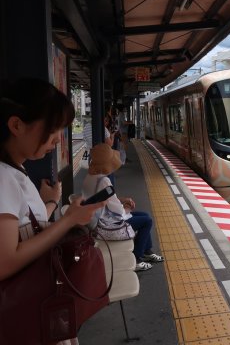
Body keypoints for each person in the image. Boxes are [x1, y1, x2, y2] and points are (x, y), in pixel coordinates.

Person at [0, 78, 107, 344]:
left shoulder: (13, 171)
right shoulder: (2, 177)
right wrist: (68, 219)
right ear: (16, 125)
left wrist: (49, 205)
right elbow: (5, 262)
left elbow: (22, 232)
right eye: (52, 129)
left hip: (33, 308)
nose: (57, 139)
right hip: (25, 314)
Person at [83, 143, 163, 271]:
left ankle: (147, 251)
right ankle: (136, 259)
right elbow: (117, 211)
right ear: (106, 165)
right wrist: (126, 209)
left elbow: (105, 199)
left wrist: (123, 200)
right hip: (106, 226)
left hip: (97, 220)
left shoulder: (89, 178)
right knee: (146, 221)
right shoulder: (104, 181)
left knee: (145, 216)